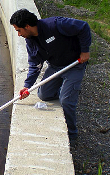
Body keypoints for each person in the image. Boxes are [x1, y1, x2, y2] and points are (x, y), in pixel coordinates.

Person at [10, 9, 91, 144]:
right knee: (43, 95)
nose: (18, 34)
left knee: (66, 101)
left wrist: (85, 51)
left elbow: (83, 27)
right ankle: (69, 90)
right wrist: (27, 86)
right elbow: (35, 64)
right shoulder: (30, 41)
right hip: (55, 67)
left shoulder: (55, 25)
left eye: (19, 30)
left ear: (27, 26)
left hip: (74, 65)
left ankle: (72, 134)